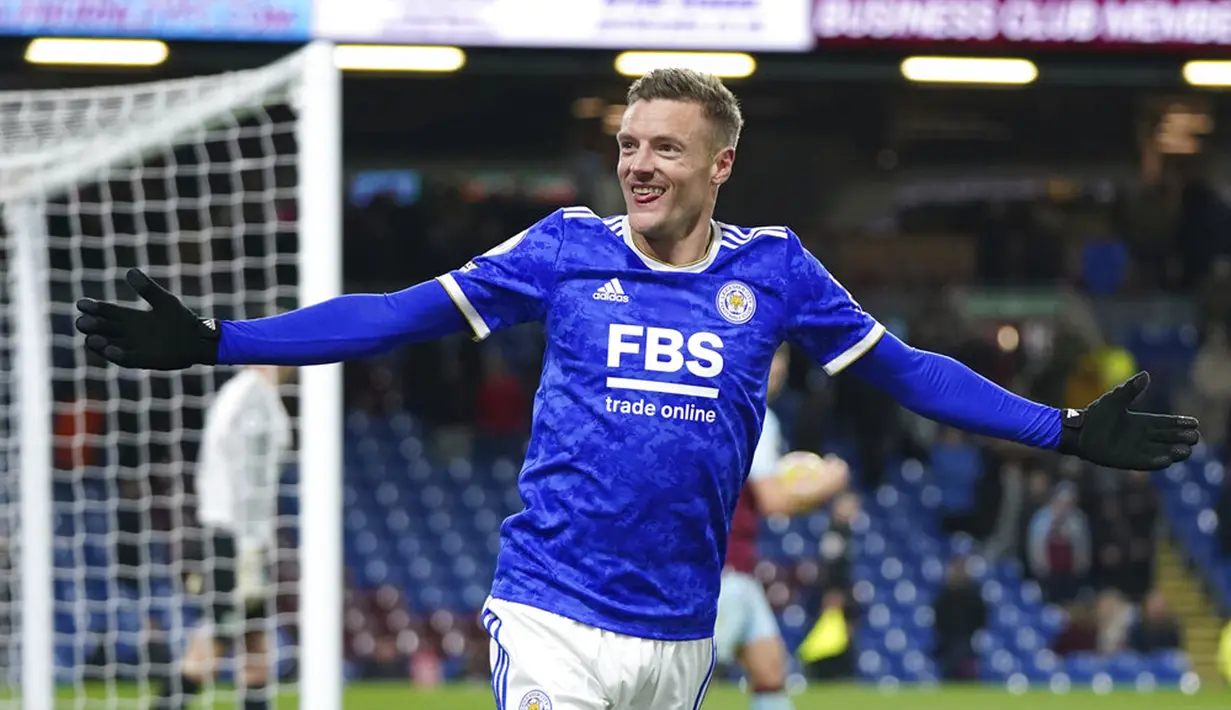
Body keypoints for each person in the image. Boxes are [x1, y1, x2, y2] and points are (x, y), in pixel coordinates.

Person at [77, 68, 1200, 710]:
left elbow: (906, 372)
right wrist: (225, 337)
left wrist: (1055, 426)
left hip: (678, 631)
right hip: (552, 608)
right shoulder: (564, 248)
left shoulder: (777, 271)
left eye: (665, 145)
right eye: (626, 143)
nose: (638, 162)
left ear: (720, 165)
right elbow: (395, 314)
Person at [714, 344, 849, 710]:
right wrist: (830, 482)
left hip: (734, 567)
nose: (779, 368)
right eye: (771, 356)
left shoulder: (714, 405)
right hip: (720, 573)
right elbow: (775, 502)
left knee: (771, 670)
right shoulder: (755, 414)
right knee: (685, 681)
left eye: (783, 359)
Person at [155, 365, 291, 710]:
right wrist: (248, 544)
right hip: (235, 538)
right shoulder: (252, 396)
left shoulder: (248, 393)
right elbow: (248, 473)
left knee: (256, 639)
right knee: (218, 637)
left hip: (243, 537)